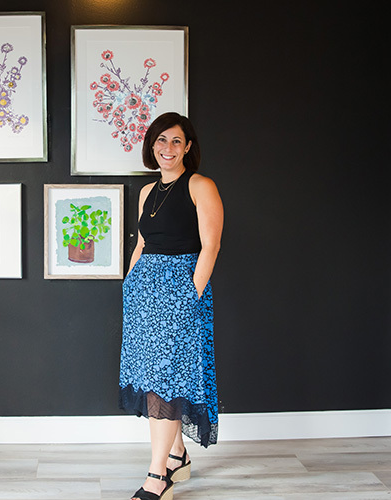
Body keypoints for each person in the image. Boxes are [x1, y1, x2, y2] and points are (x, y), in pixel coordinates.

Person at [120, 112, 223, 500]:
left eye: (176, 141)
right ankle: (177, 455)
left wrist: (189, 298)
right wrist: (130, 285)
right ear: (152, 146)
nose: (168, 148)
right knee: (157, 377)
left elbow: (210, 247)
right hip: (145, 294)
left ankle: (157, 476)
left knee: (168, 378)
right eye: (161, 141)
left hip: (182, 291)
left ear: (188, 147)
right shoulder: (147, 192)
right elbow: (144, 244)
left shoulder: (200, 186)